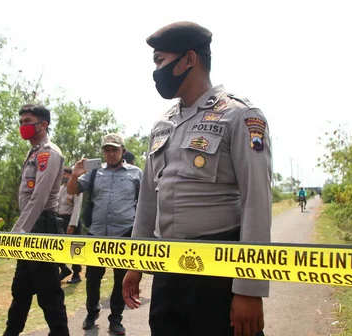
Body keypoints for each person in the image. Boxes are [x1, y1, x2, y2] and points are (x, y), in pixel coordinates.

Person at [122, 22, 271, 336]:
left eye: (161, 61)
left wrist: (249, 288)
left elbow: (257, 203)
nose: (156, 71)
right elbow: (148, 201)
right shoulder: (163, 123)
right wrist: (135, 261)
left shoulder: (240, 115)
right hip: (168, 269)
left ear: (189, 59)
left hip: (219, 270)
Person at [67, 133, 142, 335]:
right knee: (92, 277)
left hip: (124, 233)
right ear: (103, 152)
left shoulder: (136, 173)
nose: (111, 153)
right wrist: (75, 174)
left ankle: (116, 318)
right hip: (97, 233)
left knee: (120, 278)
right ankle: (92, 313)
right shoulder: (94, 173)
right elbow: (72, 190)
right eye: (107, 150)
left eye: (115, 150)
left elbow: (146, 203)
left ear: (123, 151)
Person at [4, 104, 69, 336]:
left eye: (28, 121)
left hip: (41, 227)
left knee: (48, 294)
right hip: (31, 227)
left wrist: (18, 231)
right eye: (21, 121)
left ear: (43, 124)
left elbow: (39, 197)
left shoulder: (48, 153)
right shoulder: (33, 152)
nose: (23, 126)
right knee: (20, 291)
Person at [57, 166, 83, 284]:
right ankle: (64, 269)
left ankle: (76, 274)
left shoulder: (75, 188)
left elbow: (77, 207)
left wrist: (72, 225)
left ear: (70, 175)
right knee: (59, 246)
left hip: (72, 220)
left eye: (65, 175)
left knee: (75, 249)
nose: (63, 177)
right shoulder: (61, 188)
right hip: (60, 219)